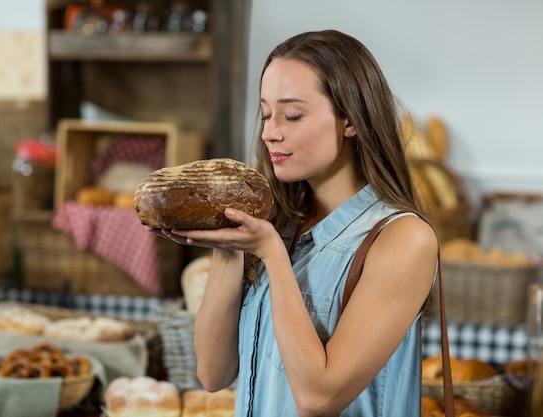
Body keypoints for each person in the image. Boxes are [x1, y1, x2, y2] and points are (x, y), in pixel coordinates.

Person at [157, 29, 438, 416]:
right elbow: (213, 373)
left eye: (292, 115)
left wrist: (271, 254)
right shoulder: (277, 224)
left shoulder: (403, 238)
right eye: (267, 113)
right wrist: (228, 249)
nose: (271, 133)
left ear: (351, 120)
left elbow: (318, 399)